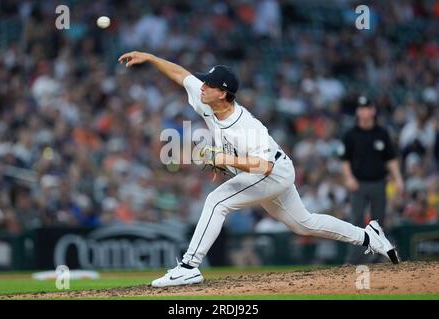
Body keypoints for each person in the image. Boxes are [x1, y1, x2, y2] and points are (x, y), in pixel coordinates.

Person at [118, 52, 400, 287]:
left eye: (209, 84)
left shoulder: (246, 127)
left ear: (223, 92)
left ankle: (189, 265)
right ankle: (369, 236)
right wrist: (150, 58)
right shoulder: (207, 99)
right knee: (303, 224)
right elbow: (181, 75)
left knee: (217, 201)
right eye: (204, 82)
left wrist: (224, 159)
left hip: (272, 171)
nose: (202, 86)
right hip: (270, 170)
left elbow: (263, 166)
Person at [340, 95, 404, 264]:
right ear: (357, 111)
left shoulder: (382, 133)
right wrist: (349, 178)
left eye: (367, 108)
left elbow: (390, 158)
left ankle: (376, 258)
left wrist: (398, 179)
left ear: (373, 110)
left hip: (378, 182)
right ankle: (355, 259)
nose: (363, 112)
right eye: (361, 109)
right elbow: (345, 160)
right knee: (356, 222)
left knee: (378, 222)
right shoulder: (351, 134)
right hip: (358, 184)